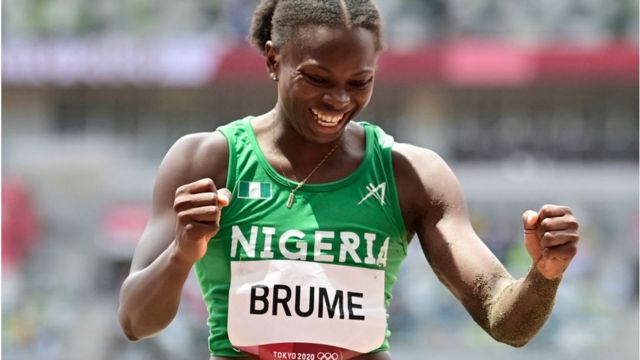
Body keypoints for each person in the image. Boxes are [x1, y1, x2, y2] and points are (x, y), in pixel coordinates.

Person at [117, 1, 581, 359]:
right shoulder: (206, 160)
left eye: (359, 82)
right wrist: (183, 252)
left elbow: (506, 323)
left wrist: (544, 276)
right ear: (274, 60)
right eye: (317, 78)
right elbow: (136, 321)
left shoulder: (411, 175)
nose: (338, 100)